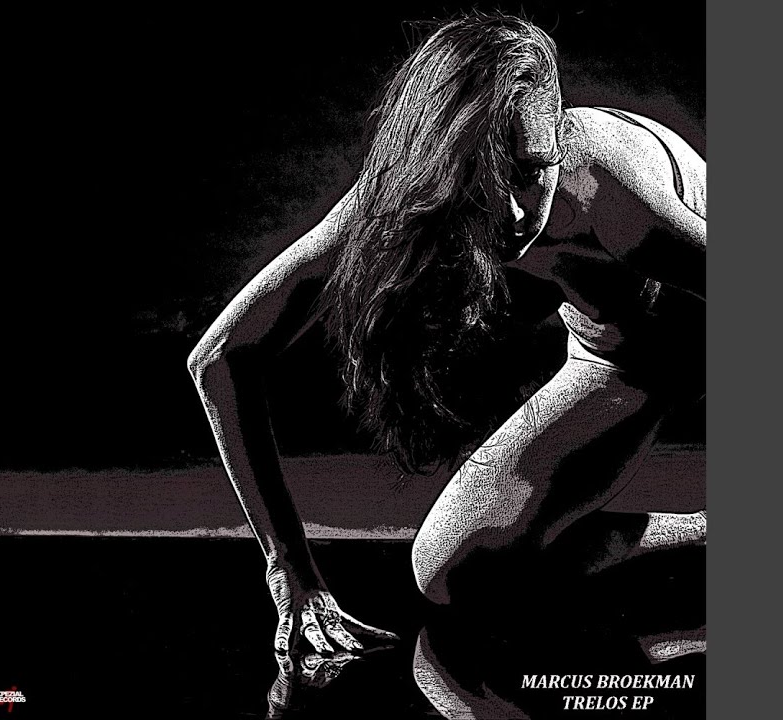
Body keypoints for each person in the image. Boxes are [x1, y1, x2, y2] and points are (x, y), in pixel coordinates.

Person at [187, 13, 706, 655]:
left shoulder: (612, 190)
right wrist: (288, 568)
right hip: (620, 357)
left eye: (531, 170)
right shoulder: (398, 200)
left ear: (556, 132)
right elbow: (222, 355)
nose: (513, 211)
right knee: (450, 572)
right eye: (482, 176)